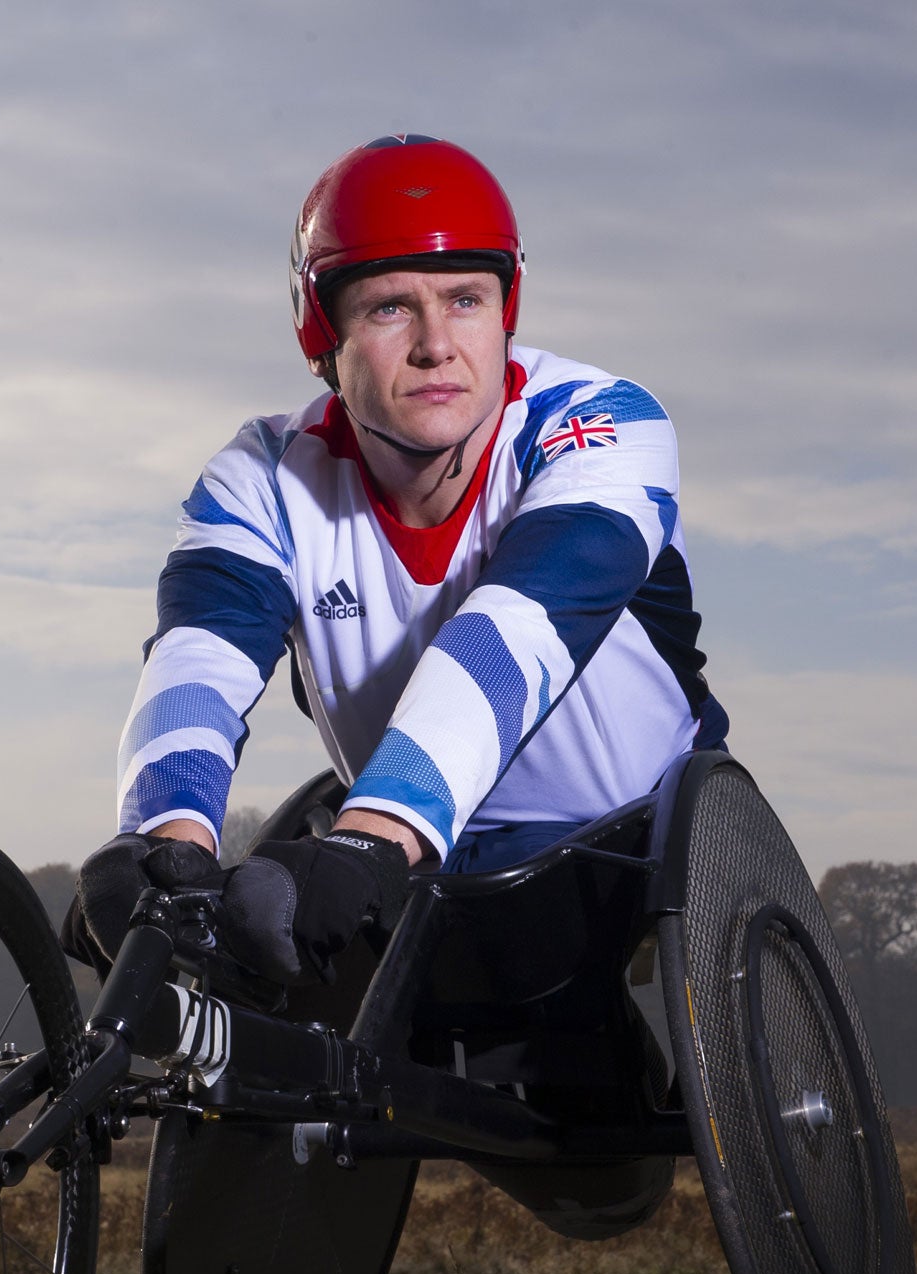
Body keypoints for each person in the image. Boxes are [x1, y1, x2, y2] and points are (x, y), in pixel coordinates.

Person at [69, 134, 726, 988]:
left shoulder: (606, 423)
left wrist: (374, 835)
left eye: (465, 300)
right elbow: (199, 658)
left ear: (506, 309)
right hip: (409, 859)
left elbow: (512, 634)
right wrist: (165, 840)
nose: (436, 345)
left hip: (630, 846)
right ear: (321, 329)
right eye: (389, 309)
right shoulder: (259, 473)